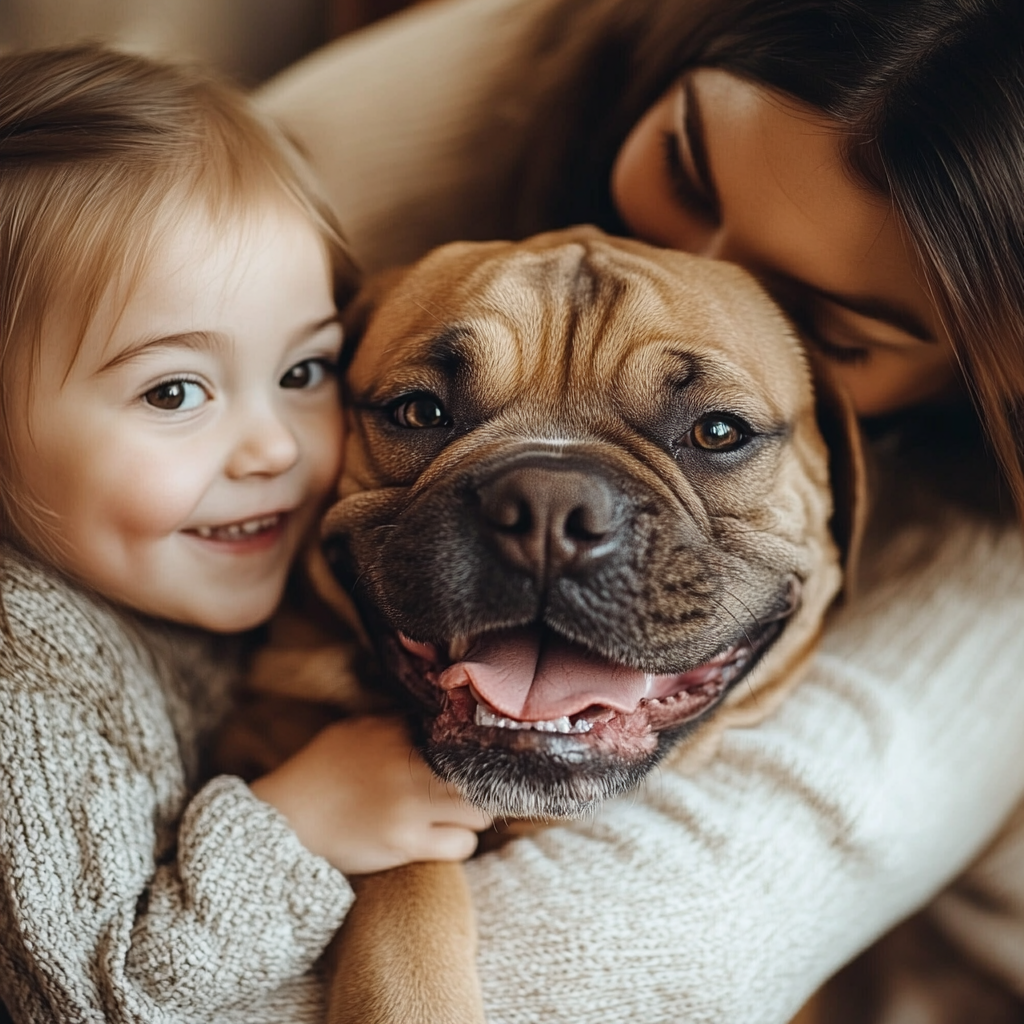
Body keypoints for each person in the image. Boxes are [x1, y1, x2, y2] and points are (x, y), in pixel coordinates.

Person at [255, 0, 1024, 1020]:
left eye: (713, 432)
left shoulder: (971, 585)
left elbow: (664, 949)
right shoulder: (342, 173)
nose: (697, 266)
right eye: (426, 408)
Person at [0, 44, 491, 1024]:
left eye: (304, 371)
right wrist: (295, 826)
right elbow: (86, 999)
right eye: (174, 390)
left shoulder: (192, 557)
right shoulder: (23, 682)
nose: (271, 445)